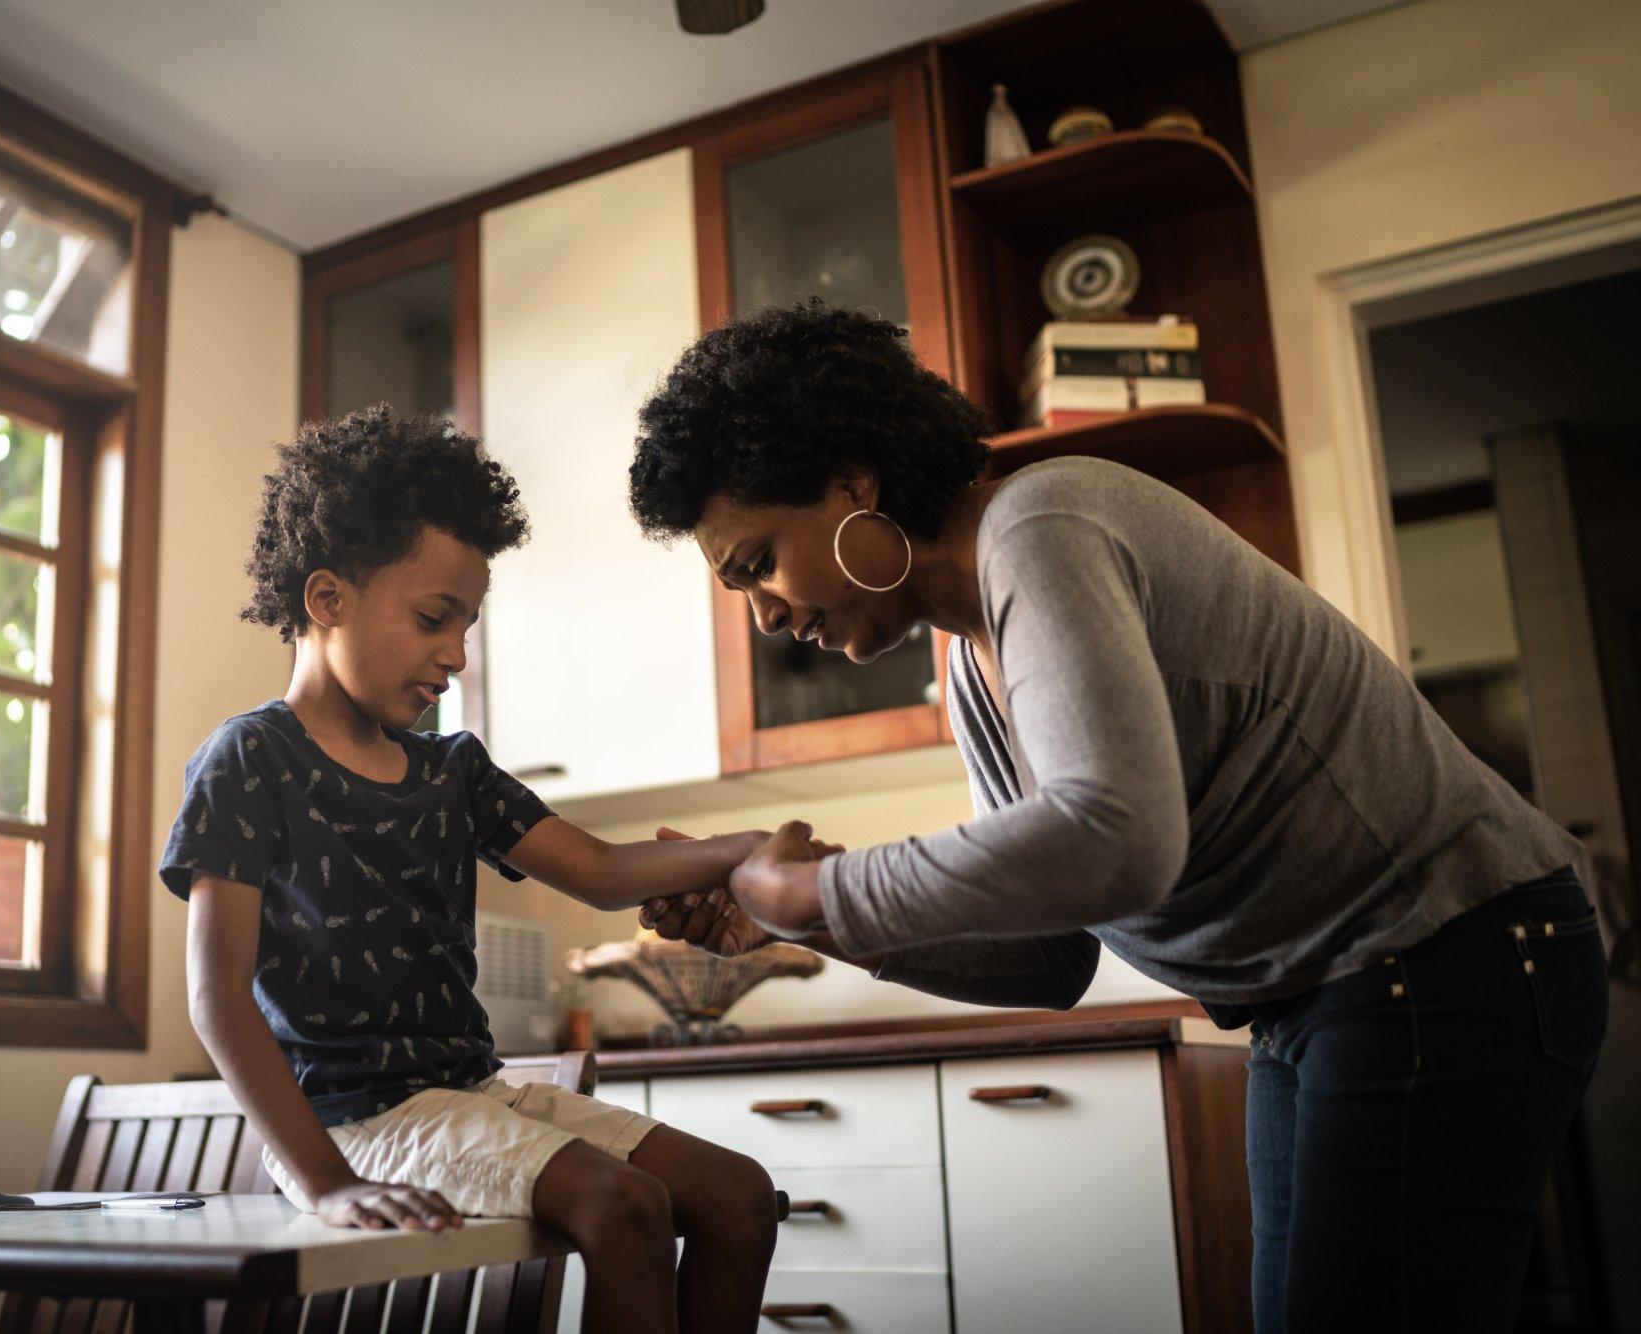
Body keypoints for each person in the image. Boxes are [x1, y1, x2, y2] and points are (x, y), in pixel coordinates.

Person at [625, 303, 1609, 1332]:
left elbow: (1114, 837)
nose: (765, 615)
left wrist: (817, 885)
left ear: (850, 484)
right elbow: (1053, 957)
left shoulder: (1040, 527)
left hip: (1446, 951)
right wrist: (810, 923)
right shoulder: (967, 655)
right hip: (1319, 994)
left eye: (754, 565)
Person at [161, 408, 776, 1334]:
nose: (454, 653)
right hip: (350, 1121)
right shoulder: (250, 761)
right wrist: (329, 1183)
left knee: (740, 1196)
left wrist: (750, 849)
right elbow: (217, 997)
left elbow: (607, 872)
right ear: (326, 599)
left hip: (473, 1095)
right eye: (431, 618)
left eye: (466, 624)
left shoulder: (452, 771)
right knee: (625, 1207)